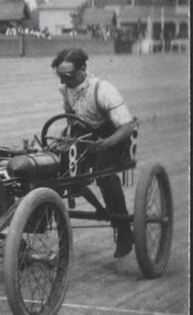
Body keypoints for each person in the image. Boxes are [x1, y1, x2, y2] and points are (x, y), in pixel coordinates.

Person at [52, 48, 138, 257]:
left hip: (113, 136)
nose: (64, 81)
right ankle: (94, 207)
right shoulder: (66, 89)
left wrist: (106, 142)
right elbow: (70, 117)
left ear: (83, 69)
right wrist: (67, 139)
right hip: (84, 135)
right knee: (57, 167)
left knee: (103, 173)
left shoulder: (103, 89)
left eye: (68, 76)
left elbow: (127, 126)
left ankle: (124, 229)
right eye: (60, 76)